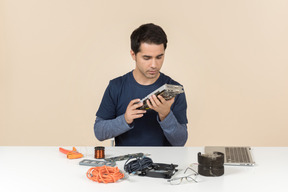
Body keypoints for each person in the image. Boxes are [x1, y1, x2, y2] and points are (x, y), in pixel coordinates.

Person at [94, 23, 188, 146]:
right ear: (133, 55)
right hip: (126, 163)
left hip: (163, 164)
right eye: (147, 58)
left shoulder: (174, 89)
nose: (154, 64)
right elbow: (99, 132)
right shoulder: (116, 86)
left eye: (159, 57)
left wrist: (166, 115)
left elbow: (181, 141)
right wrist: (125, 119)